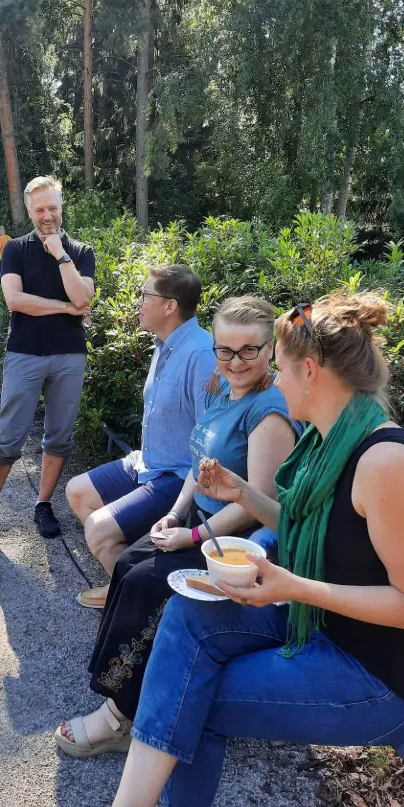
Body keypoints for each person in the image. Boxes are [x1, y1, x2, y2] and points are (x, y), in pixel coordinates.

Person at [94, 293, 404, 807]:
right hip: (317, 621)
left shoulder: (388, 463)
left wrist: (291, 586)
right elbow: (303, 526)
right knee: (187, 610)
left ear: (310, 371)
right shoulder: (327, 441)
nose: (276, 383)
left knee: (196, 696)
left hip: (376, 676)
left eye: (279, 370)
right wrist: (244, 495)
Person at [55, 297, 303, 757]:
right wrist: (175, 511)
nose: (235, 361)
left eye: (249, 350)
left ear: (271, 349)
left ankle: (122, 718)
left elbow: (256, 507)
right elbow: (198, 463)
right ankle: (129, 687)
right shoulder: (224, 390)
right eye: (225, 350)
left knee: (149, 584)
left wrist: (189, 537)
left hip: (232, 544)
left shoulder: (268, 413)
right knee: (129, 565)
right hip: (198, 522)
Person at [65, 266, 216, 609]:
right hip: (146, 462)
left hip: (177, 476)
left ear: (170, 306)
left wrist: (182, 509)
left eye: (146, 295)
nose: (139, 302)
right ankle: (125, 578)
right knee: (77, 492)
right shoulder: (164, 343)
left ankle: (141, 605)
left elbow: (209, 441)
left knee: (98, 530)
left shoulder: (201, 353)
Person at [0, 176, 94, 545]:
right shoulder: (17, 250)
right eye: (40, 209)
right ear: (29, 211)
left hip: (70, 354)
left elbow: (82, 298)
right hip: (25, 353)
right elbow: (15, 301)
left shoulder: (80, 251)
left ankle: (43, 503)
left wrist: (60, 254)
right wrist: (66, 308)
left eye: (52, 207)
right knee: (9, 436)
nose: (47, 215)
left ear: (61, 206)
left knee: (59, 436)